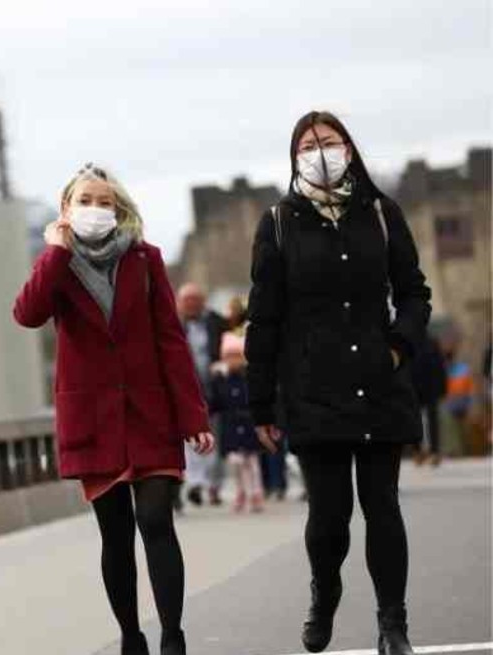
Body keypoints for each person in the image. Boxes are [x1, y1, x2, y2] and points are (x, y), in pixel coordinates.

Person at [246, 111, 431, 655]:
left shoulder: (381, 214)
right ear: (294, 156)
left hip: (378, 383)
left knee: (383, 507)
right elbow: (265, 318)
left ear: (349, 149)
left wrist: (398, 344)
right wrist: (261, 406)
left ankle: (392, 624)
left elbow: (414, 292)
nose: (320, 151)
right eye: (309, 144)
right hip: (312, 391)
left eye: (329, 141)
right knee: (330, 518)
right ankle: (324, 591)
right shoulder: (279, 223)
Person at [14, 163, 215, 655]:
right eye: (86, 200)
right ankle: (131, 635)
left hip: (150, 413)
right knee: (116, 535)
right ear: (66, 209)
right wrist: (55, 252)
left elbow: (171, 340)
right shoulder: (56, 264)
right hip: (93, 419)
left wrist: (193, 417)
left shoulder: (146, 260)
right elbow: (28, 313)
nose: (97, 210)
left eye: (106, 202)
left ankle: (173, 636)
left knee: (156, 520)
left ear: (120, 210)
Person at [177, 283, 226, 507]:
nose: (191, 305)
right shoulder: (174, 324)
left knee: (217, 439)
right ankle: (196, 483)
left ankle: (214, 485)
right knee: (192, 439)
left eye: (195, 300)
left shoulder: (217, 322)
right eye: (187, 301)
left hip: (215, 388)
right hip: (188, 389)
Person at [208, 333, 263, 513]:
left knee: (252, 462)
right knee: (236, 463)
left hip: (248, 426)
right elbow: (215, 402)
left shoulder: (248, 378)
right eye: (229, 357)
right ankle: (241, 491)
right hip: (230, 426)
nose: (233, 361)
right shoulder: (220, 380)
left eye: (236, 356)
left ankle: (256, 492)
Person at [408, 333, 448, 466]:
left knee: (433, 421)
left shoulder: (432, 343)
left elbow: (441, 366)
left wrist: (443, 388)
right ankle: (417, 451)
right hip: (414, 388)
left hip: (431, 388)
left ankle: (434, 452)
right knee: (414, 421)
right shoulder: (409, 342)